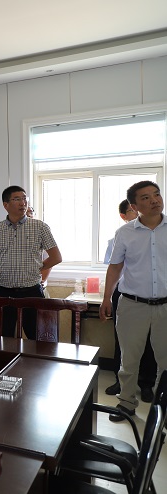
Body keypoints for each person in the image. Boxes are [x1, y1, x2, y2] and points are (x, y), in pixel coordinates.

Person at [100, 181, 167, 422]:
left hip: (165, 305)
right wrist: (106, 298)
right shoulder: (125, 233)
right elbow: (115, 267)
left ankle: (162, 407)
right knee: (128, 359)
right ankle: (126, 404)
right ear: (134, 206)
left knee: (165, 362)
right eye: (146, 197)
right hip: (132, 304)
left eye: (157, 195)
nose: (154, 200)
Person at [0, 186, 62, 339]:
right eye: (17, 199)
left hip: (31, 292)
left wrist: (36, 269)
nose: (23, 202)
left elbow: (56, 257)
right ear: (5, 205)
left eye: (25, 198)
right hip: (3, 292)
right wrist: (3, 268)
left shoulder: (40, 227)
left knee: (36, 337)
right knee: (4, 337)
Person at [103, 199, 156, 399]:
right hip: (124, 293)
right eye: (132, 210)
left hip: (152, 294)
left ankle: (147, 383)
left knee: (150, 342)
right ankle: (121, 382)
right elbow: (113, 269)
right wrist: (107, 297)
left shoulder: (158, 234)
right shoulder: (119, 237)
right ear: (124, 216)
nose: (138, 213)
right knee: (123, 341)